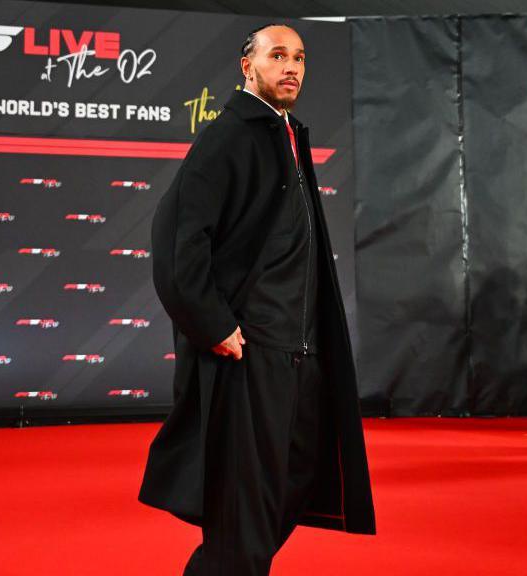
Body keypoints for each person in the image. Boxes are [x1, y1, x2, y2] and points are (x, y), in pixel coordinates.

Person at [138, 24, 376, 575]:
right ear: (248, 66)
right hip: (251, 358)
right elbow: (175, 240)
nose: (291, 66)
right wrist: (213, 324)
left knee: (290, 490)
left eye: (299, 57)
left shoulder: (287, 134)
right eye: (277, 56)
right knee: (242, 514)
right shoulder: (228, 136)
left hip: (299, 355)